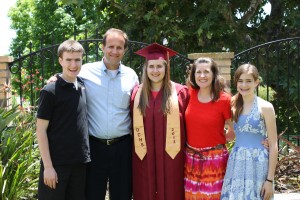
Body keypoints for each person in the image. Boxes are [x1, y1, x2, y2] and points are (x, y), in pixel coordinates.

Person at [81, 28, 139, 200]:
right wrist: (55, 78)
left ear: (125, 50)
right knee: (92, 195)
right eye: (110, 46)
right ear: (102, 47)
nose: (114, 51)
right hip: (94, 147)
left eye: (119, 47)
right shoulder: (85, 72)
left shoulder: (131, 76)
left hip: (122, 147)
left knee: (122, 195)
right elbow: (66, 79)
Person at [130, 43, 189, 200]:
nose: (155, 71)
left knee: (172, 189)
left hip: (172, 158)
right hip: (144, 155)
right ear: (146, 68)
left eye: (159, 66)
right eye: (151, 66)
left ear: (166, 68)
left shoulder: (180, 92)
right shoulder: (137, 93)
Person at [36, 39, 90, 200]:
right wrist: (48, 167)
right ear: (60, 60)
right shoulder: (50, 91)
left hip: (80, 164)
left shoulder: (82, 86)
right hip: (56, 166)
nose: (73, 64)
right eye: (68, 60)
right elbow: (40, 130)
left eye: (77, 60)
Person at [221, 64, 278, 200]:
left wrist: (269, 180)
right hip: (236, 163)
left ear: (256, 82)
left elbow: (274, 144)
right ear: (236, 82)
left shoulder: (266, 107)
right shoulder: (231, 104)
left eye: (248, 81)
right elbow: (229, 133)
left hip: (258, 164)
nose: (244, 85)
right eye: (240, 81)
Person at [184, 57, 234, 200]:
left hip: (215, 161)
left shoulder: (224, 99)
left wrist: (216, 141)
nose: (202, 76)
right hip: (190, 159)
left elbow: (234, 131)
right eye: (198, 72)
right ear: (193, 75)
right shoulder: (189, 94)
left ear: (214, 74)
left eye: (206, 72)